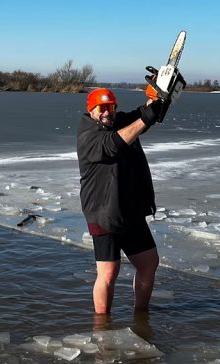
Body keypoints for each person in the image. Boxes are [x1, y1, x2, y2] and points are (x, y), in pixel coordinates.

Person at [76, 87, 165, 314]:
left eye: (111, 107)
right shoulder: (88, 135)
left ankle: (141, 315)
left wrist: (160, 94)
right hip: (102, 211)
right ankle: (102, 324)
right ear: (91, 109)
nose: (107, 113)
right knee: (108, 271)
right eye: (102, 108)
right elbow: (114, 144)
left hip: (129, 208)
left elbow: (144, 114)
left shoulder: (118, 121)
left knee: (149, 262)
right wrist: (144, 119)